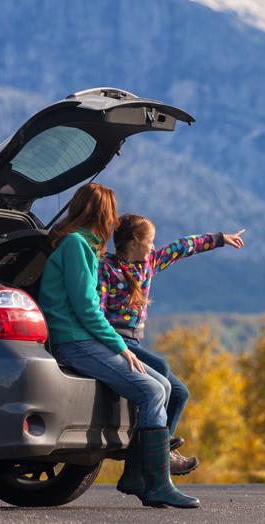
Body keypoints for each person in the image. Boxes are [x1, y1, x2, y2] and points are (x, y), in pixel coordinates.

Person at [37, 183, 199, 509]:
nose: (113, 222)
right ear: (101, 213)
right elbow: (86, 308)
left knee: (163, 387)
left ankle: (140, 476)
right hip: (75, 341)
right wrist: (121, 348)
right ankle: (157, 484)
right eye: (111, 213)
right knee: (153, 391)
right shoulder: (76, 246)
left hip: (83, 338)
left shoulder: (82, 246)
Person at [97, 213, 244, 494]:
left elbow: (182, 247)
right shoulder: (107, 269)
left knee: (180, 393)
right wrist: (110, 344)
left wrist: (220, 239)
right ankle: (158, 458)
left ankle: (142, 465)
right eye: (150, 242)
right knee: (161, 368)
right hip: (116, 342)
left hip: (136, 343)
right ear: (133, 243)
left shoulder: (149, 264)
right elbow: (98, 311)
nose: (154, 247)